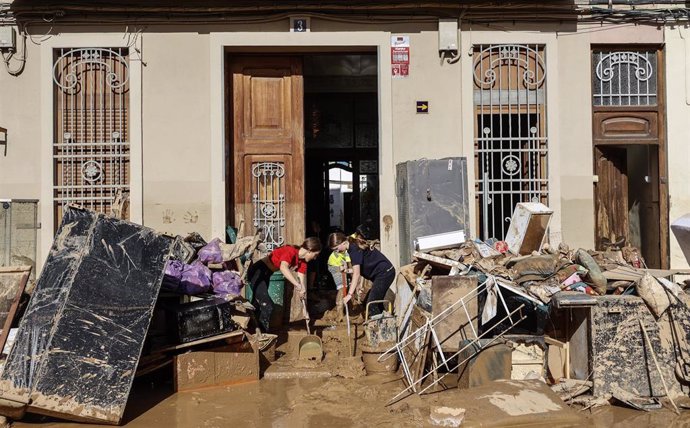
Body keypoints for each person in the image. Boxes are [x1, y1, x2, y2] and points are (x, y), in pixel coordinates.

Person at [247, 238, 321, 332]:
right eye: (315, 255)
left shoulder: (302, 261)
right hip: (258, 272)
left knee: (258, 304)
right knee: (267, 305)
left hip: (267, 274)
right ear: (310, 250)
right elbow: (283, 268)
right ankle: (263, 335)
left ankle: (254, 332)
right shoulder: (290, 251)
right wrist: (297, 285)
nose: (314, 258)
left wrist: (302, 289)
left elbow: (301, 277)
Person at [327, 230, 395, 318]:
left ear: (343, 243)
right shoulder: (352, 247)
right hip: (382, 273)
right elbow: (358, 269)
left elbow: (356, 274)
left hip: (385, 273)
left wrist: (349, 295)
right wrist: (347, 271)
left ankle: (381, 328)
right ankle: (382, 322)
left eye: (336, 248)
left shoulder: (354, 250)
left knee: (371, 305)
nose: (336, 252)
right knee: (376, 303)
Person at [327, 244, 351, 322]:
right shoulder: (337, 253)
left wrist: (348, 269)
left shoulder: (346, 252)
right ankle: (339, 313)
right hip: (335, 266)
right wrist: (341, 268)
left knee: (344, 287)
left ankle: (341, 311)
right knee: (342, 288)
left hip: (341, 267)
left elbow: (348, 262)